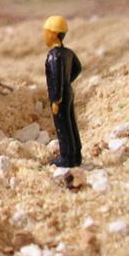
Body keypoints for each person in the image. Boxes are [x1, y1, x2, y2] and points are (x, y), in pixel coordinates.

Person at [43, 15, 83, 167]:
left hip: (59, 97)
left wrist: (56, 98)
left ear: (53, 34)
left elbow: (56, 78)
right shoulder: (68, 53)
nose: (44, 36)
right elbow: (78, 68)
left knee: (63, 126)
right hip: (68, 92)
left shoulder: (54, 56)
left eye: (46, 32)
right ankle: (76, 154)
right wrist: (67, 83)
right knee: (71, 122)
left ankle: (66, 157)